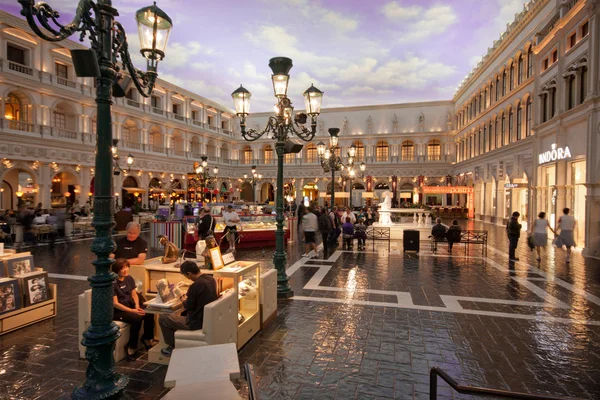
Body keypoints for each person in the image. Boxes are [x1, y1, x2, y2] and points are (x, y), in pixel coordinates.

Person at [159, 260, 218, 356]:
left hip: (195, 322)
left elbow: (188, 306)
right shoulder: (211, 279)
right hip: (206, 318)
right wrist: (188, 285)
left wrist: (180, 295)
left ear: (188, 273)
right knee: (176, 315)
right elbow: (200, 287)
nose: (186, 278)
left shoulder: (195, 286)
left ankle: (172, 346)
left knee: (163, 317)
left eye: (186, 276)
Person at [112, 258, 157, 358]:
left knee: (149, 312)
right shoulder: (113, 283)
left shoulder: (129, 278)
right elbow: (115, 304)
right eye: (122, 268)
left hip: (131, 306)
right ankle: (132, 346)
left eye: (127, 267)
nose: (126, 270)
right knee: (137, 318)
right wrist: (133, 311)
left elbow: (134, 295)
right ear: (116, 270)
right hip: (118, 311)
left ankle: (146, 338)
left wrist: (137, 306)